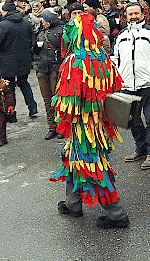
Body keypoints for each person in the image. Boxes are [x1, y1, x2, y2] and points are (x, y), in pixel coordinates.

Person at [52, 12, 130, 228]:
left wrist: (63, 121)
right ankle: (73, 204)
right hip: (99, 124)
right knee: (73, 160)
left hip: (83, 126)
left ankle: (117, 214)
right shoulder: (103, 59)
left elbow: (69, 102)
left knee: (92, 166)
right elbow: (114, 89)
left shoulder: (74, 62)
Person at [111, 2, 150, 170]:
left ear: (143, 14)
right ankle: (141, 148)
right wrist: (118, 75)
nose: (133, 16)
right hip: (127, 84)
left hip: (146, 83)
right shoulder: (121, 35)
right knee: (133, 120)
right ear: (126, 16)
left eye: (136, 13)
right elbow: (114, 58)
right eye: (130, 14)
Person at [0, 0, 37, 120]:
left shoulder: (3, 25)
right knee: (24, 83)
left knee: (9, 87)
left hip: (7, 59)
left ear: (5, 11)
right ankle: (32, 107)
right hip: (24, 58)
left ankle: (11, 113)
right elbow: (32, 40)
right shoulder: (26, 22)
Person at [34, 8, 64, 140]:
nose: (42, 21)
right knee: (47, 100)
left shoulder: (61, 30)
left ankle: (62, 127)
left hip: (55, 68)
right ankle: (52, 127)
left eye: (45, 19)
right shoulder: (40, 31)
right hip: (41, 68)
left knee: (57, 99)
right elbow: (33, 49)